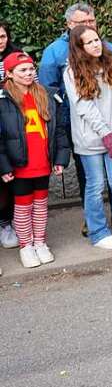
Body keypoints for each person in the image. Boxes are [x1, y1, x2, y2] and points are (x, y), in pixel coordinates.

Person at [38, 2, 112, 227]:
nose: (87, 26)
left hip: (111, 122)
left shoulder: (107, 47)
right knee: (89, 176)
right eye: (81, 22)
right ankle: (92, 218)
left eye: (90, 21)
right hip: (77, 124)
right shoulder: (54, 51)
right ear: (69, 24)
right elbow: (47, 90)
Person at [64, 25, 112, 251]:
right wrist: (105, 132)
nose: (96, 45)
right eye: (89, 42)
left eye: (97, 40)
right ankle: (98, 232)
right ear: (79, 48)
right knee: (95, 185)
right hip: (90, 139)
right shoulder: (71, 72)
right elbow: (83, 107)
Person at [0, 51, 70, 269]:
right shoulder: (4, 100)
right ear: (9, 74)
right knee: (23, 206)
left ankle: (40, 242)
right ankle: (25, 245)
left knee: (40, 204)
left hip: (42, 161)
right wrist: (3, 166)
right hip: (20, 163)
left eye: (31, 69)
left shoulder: (46, 94)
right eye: (22, 70)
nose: (29, 73)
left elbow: (58, 130)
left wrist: (60, 158)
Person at [0, 20, 20, 249]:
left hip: (12, 124)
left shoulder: (17, 57)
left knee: (10, 178)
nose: (0, 41)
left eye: (3, 36)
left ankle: (9, 222)